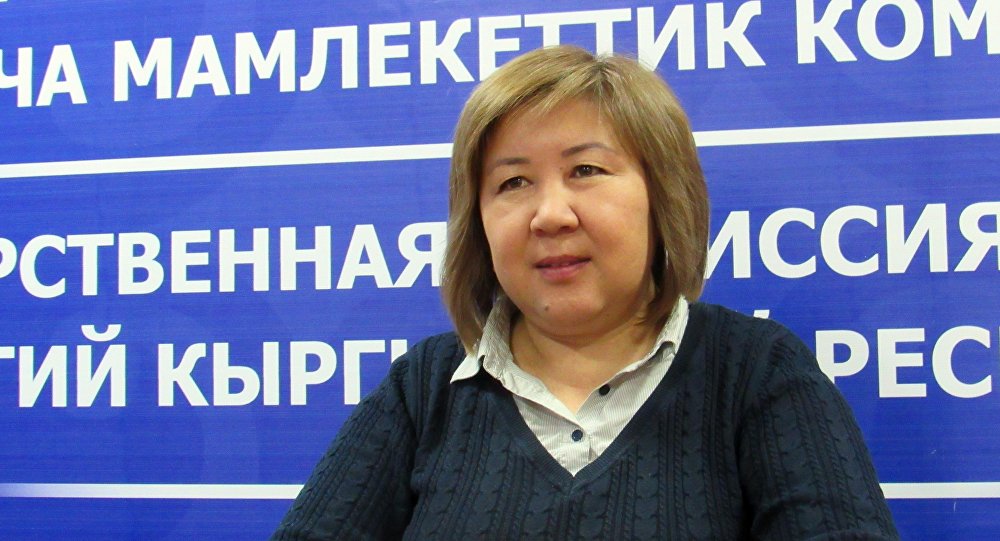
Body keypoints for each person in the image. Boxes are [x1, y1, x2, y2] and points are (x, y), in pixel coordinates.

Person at [271, 45, 898, 540]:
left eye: (586, 170)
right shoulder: (423, 388)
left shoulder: (755, 371)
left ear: (663, 196)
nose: (550, 215)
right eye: (513, 183)